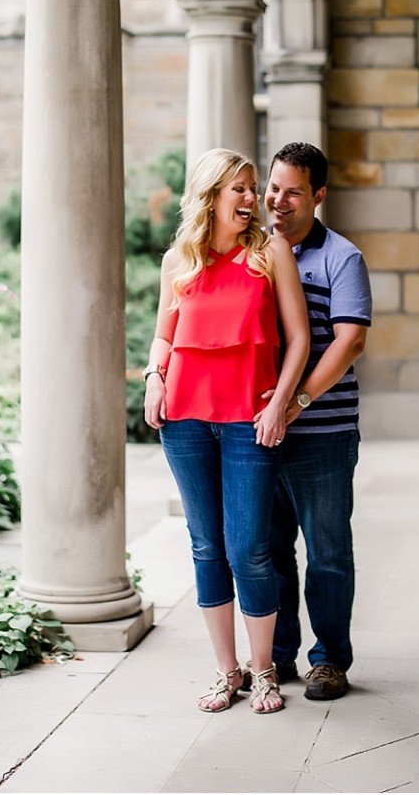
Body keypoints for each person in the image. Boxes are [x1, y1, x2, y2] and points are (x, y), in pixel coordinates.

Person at [143, 147, 310, 715]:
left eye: (251, 187)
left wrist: (280, 404)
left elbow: (299, 340)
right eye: (238, 188)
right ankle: (227, 671)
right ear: (211, 196)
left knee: (249, 549)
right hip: (185, 420)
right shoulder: (179, 260)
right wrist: (152, 378)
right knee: (206, 547)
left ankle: (265, 671)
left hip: (248, 420)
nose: (251, 198)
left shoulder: (271, 253)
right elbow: (164, 335)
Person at [260, 141, 372, 701]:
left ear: (319, 196)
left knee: (327, 552)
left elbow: (350, 340)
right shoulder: (254, 253)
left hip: (322, 434)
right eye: (273, 188)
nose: (277, 201)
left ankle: (329, 660)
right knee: (271, 549)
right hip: (257, 436)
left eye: (293, 192)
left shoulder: (341, 258)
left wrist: (295, 402)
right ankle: (277, 656)